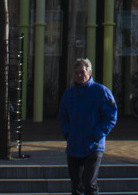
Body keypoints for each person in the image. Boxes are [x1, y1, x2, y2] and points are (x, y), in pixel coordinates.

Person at [57, 57, 118, 195]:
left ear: (89, 72)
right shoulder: (69, 94)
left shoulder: (101, 91)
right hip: (74, 145)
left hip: (93, 145)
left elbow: (111, 116)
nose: (79, 75)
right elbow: (62, 115)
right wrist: (67, 133)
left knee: (90, 183)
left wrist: (97, 134)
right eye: (76, 72)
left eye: (82, 72)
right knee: (76, 185)